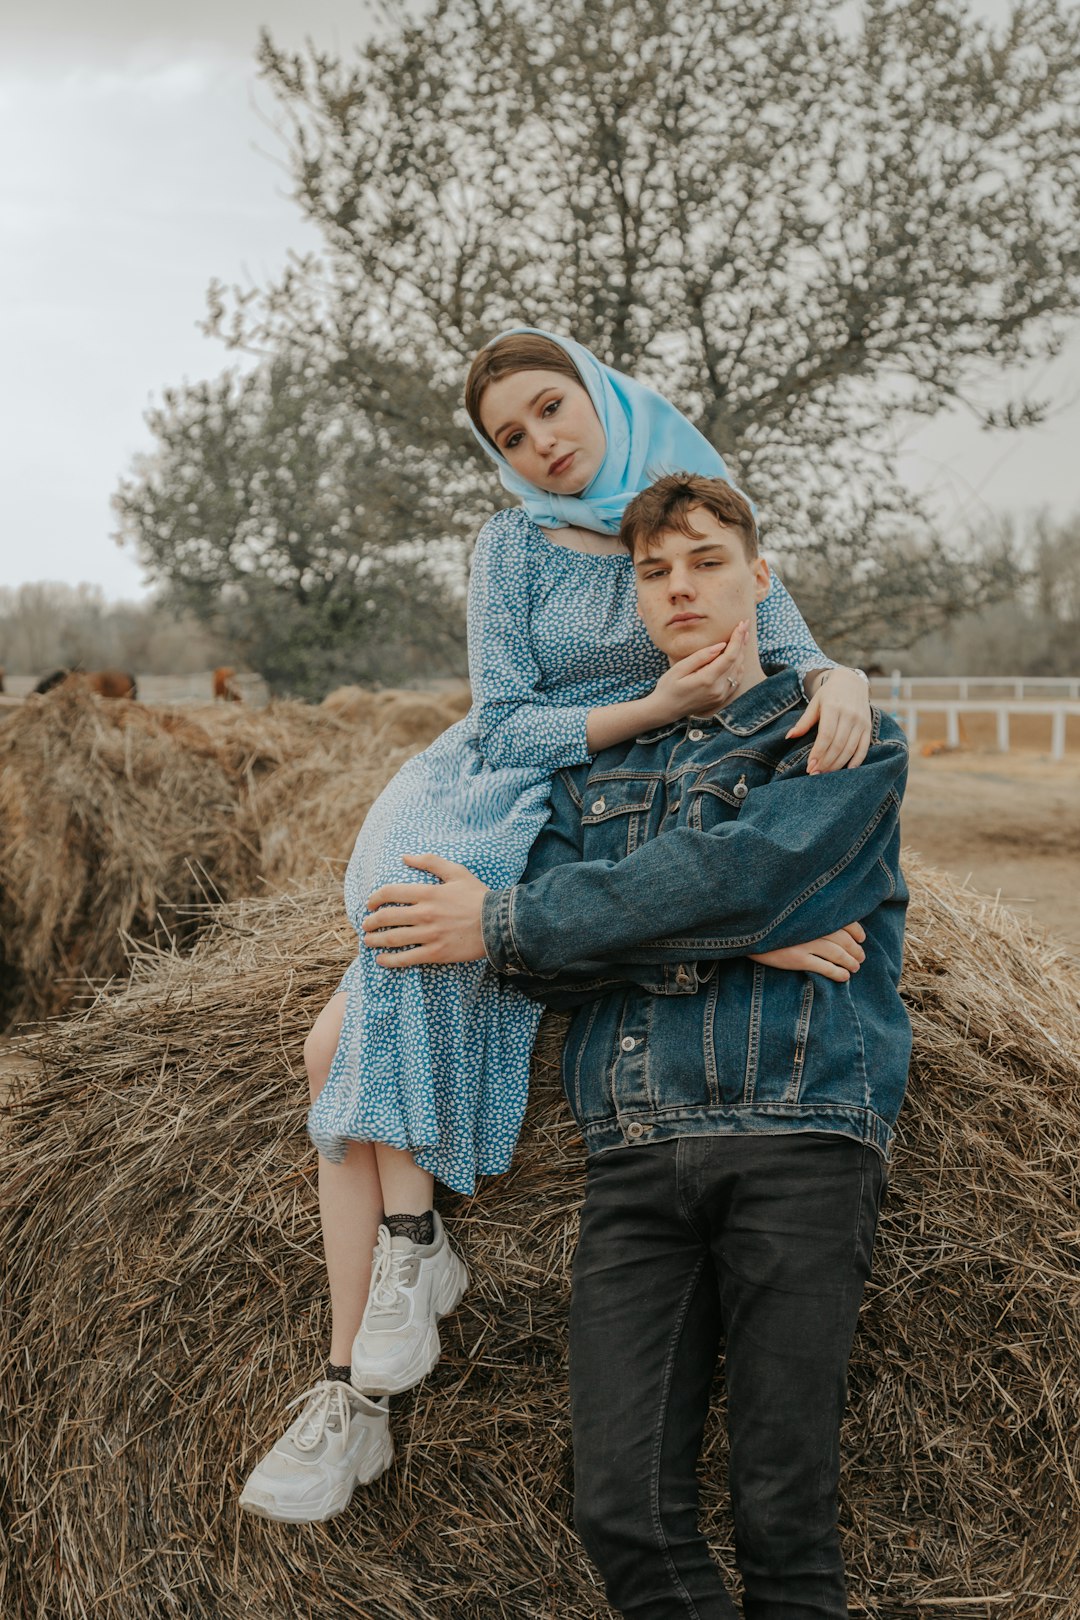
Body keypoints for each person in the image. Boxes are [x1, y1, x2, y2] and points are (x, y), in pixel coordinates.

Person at [239, 332, 875, 1525]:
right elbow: (504, 723)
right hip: (485, 791)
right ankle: (393, 1295)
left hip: (602, 813)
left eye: (550, 408)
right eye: (513, 438)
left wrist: (839, 679)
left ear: (600, 391)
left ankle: (357, 1383)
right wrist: (657, 703)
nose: (543, 443)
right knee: (372, 989)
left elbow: (787, 642)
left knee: (336, 1054)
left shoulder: (678, 522)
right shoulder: (510, 542)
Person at [361, 472, 911, 1617]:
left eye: (706, 561)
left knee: (783, 1518)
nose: (680, 588)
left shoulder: (844, 738)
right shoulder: (589, 774)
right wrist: (743, 942)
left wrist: (516, 922)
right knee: (622, 1512)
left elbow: (741, 871)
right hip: (634, 1156)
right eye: (654, 574)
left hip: (798, 1134)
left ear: (760, 579)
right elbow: (554, 959)